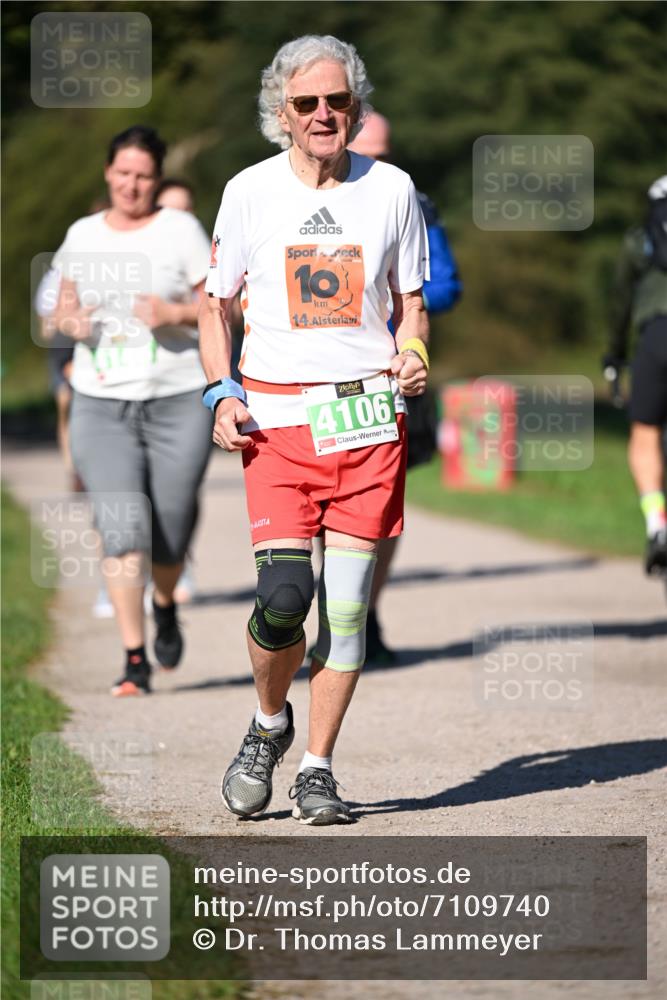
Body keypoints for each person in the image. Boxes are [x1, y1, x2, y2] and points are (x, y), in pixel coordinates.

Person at [200, 34, 429, 825]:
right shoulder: (248, 192)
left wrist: (413, 352)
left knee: (346, 613)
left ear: (355, 106)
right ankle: (268, 725)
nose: (324, 114)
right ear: (281, 113)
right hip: (279, 427)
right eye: (307, 104)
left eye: (337, 101)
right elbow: (215, 306)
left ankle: (317, 770)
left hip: (366, 423)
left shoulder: (392, 188)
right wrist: (220, 391)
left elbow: (411, 302)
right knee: (284, 598)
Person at [53, 125, 213, 695]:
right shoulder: (82, 234)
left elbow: (225, 308)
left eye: (143, 176)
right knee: (121, 528)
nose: (132, 184)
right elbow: (61, 311)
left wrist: (173, 312)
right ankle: (134, 659)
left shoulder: (182, 230)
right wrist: (71, 323)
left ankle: (165, 603)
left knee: (170, 526)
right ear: (108, 173)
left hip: (176, 398)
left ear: (157, 178)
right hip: (102, 401)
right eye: (123, 173)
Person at [348, 112, 462, 663]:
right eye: (366, 147)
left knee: (381, 503)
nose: (376, 160)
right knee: (321, 499)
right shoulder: (294, 200)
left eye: (384, 150)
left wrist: (399, 298)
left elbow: (445, 285)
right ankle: (326, 606)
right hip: (324, 376)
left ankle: (365, 616)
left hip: (394, 372)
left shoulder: (413, 203)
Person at [604, 175, 667, 575]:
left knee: (645, 433)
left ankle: (656, 520)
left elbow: (620, 304)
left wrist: (613, 355)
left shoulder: (639, 241)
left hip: (656, 337)